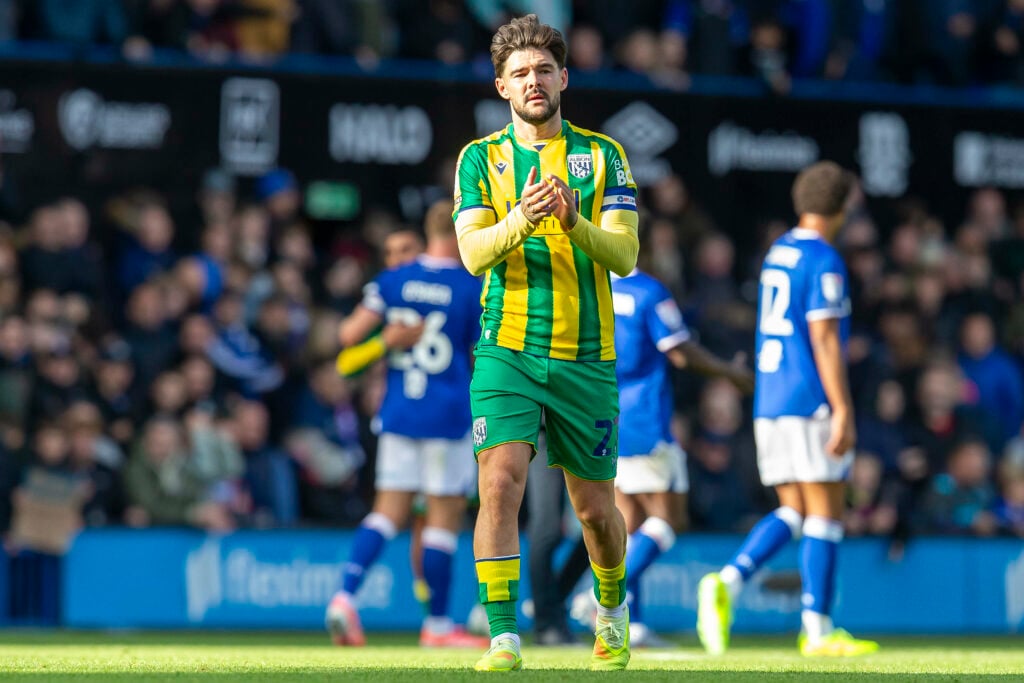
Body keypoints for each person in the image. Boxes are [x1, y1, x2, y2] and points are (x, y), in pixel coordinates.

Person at [453, 14, 640, 672]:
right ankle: (504, 636)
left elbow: (626, 254)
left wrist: (572, 218)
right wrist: (521, 218)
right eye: (519, 73)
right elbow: (474, 252)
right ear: (502, 87)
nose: (533, 81)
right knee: (500, 483)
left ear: (564, 77)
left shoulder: (603, 155)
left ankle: (612, 607)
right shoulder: (481, 159)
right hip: (506, 350)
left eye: (543, 70)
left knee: (594, 512)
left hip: (587, 359)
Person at [697, 161, 879, 657]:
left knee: (794, 509)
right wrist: (842, 407)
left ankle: (729, 581)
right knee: (826, 513)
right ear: (841, 208)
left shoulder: (779, 252)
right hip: (808, 398)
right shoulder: (824, 259)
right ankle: (818, 630)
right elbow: (823, 337)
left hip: (771, 400)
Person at [324, 199, 487, 648]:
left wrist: (387, 340)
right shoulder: (470, 286)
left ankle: (344, 598)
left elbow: (347, 336)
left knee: (386, 513)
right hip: (448, 416)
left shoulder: (393, 280)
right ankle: (436, 626)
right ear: (460, 231)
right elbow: (482, 355)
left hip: (399, 412)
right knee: (440, 521)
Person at [601, 227, 754, 647]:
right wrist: (730, 373)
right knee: (670, 519)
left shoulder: (587, 286)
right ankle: (605, 595)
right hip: (644, 420)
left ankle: (632, 623)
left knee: (628, 525)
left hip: (598, 418)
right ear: (642, 244)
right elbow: (680, 350)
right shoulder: (648, 291)